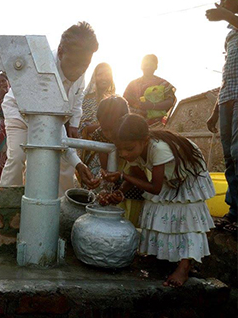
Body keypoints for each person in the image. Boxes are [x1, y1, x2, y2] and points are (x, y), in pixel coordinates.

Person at [101, 114, 215, 287]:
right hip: (171, 178)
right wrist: (120, 191)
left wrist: (122, 176)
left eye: (129, 149)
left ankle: (184, 267)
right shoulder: (139, 148)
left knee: (188, 220)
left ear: (145, 140)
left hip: (189, 177)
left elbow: (155, 188)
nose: (124, 154)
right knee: (157, 212)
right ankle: (162, 257)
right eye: (120, 149)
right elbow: (136, 173)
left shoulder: (159, 149)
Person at [0, 21, 100, 194]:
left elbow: (78, 96)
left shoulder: (80, 68)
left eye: (85, 65)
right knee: (17, 158)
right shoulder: (43, 70)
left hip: (53, 119)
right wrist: (77, 161)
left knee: (63, 164)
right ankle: (6, 211)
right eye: (75, 64)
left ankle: (62, 210)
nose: (79, 71)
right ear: (60, 51)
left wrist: (74, 124)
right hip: (19, 113)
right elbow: (48, 124)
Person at [85, 95, 144, 226]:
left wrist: (122, 183)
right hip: (117, 172)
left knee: (131, 213)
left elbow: (136, 170)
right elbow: (105, 166)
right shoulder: (99, 135)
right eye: (105, 130)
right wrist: (105, 179)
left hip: (133, 175)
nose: (110, 135)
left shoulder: (133, 134)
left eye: (112, 130)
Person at [206, 0, 238, 234]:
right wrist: (215, 111)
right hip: (228, 97)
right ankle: (234, 212)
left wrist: (225, 13)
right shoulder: (230, 33)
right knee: (229, 156)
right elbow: (227, 73)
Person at [123, 54, 176, 127]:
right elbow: (124, 102)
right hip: (134, 124)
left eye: (150, 65)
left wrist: (152, 106)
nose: (147, 67)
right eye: (145, 64)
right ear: (141, 66)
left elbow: (170, 101)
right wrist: (138, 111)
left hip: (157, 125)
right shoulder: (133, 84)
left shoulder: (163, 84)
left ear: (156, 67)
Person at [78, 62, 115, 141]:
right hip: (88, 145)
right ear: (94, 77)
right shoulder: (86, 99)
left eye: (107, 74)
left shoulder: (116, 101)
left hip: (110, 145)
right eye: (100, 74)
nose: (104, 78)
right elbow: (82, 126)